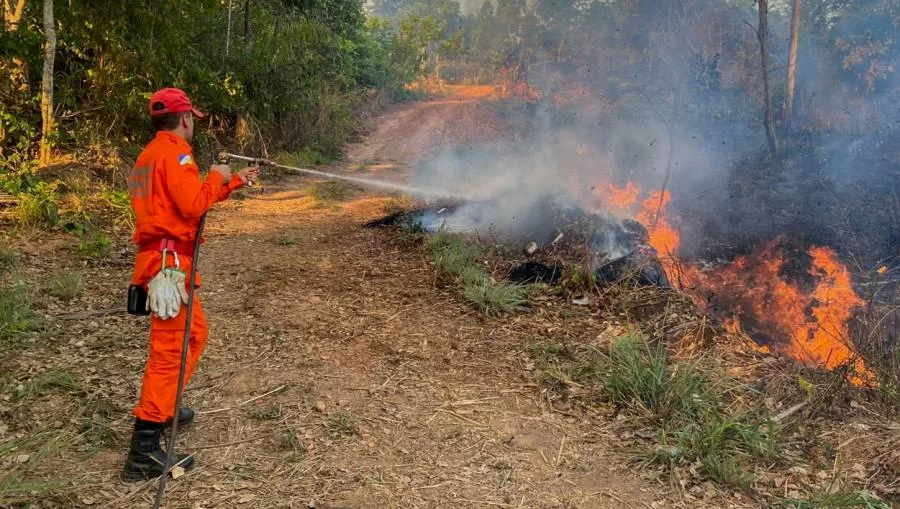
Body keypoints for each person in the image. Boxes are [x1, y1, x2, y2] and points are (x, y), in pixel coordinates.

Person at [122, 87, 258, 481]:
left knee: (194, 335)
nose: (193, 124)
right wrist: (217, 177)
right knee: (170, 352)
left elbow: (177, 202)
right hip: (168, 265)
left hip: (160, 260)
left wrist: (230, 183)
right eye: (193, 119)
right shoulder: (177, 153)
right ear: (184, 119)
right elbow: (193, 204)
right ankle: (144, 449)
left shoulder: (148, 156)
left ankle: (166, 405)